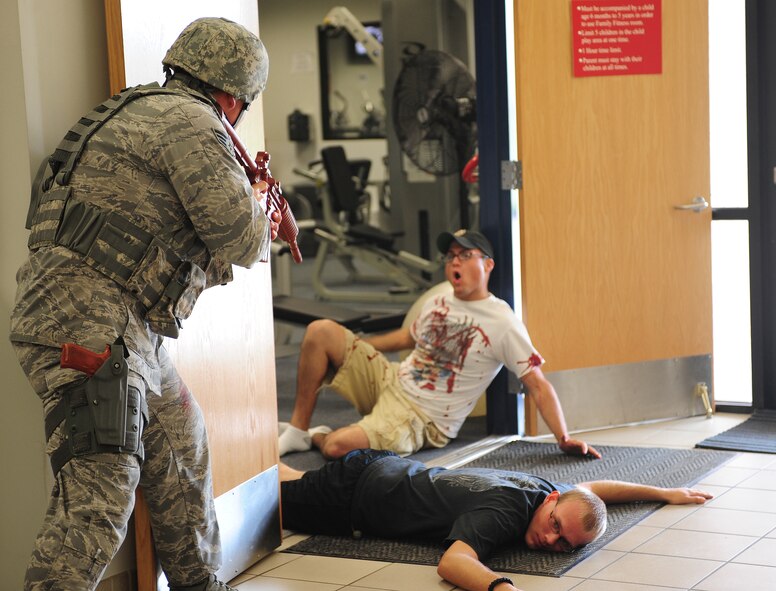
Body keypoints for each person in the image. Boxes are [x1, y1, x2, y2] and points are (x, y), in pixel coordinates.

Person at [10, 17, 278, 591]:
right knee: (99, 498)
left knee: (183, 446)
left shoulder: (135, 107)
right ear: (234, 95)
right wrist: (259, 204)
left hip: (116, 326)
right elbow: (242, 239)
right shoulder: (193, 123)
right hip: (88, 325)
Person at [279, 228, 601, 460]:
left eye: (464, 255)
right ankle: (297, 430)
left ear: (488, 265)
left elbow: (538, 384)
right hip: (392, 379)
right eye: (450, 257)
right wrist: (357, 347)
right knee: (322, 331)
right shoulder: (441, 300)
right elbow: (407, 338)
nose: (454, 263)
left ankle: (316, 435)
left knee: (336, 446)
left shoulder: (502, 323)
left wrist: (564, 437)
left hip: (423, 418)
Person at [280, 449, 713, 591]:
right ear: (554, 503)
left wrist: (663, 493)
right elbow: (452, 563)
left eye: (565, 545)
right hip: (348, 498)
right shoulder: (503, 515)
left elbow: (596, 488)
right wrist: (502, 587)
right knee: (256, 503)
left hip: (384, 466)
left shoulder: (543, 491)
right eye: (556, 527)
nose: (551, 540)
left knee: (279, 477)